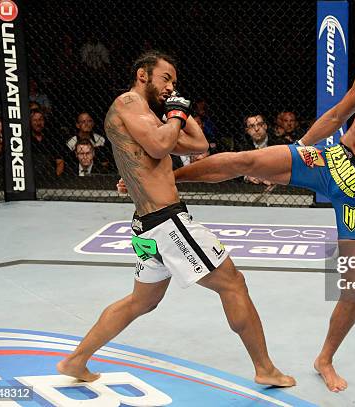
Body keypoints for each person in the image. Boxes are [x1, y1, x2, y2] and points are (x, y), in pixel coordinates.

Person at [121, 25, 355, 392]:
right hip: (333, 159)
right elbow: (334, 118)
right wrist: (297, 150)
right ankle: (172, 178)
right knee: (246, 160)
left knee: (353, 286)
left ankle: (325, 358)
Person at [57, 50, 295, 388]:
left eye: (175, 82)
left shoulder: (152, 116)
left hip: (149, 225)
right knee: (232, 283)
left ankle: (76, 360)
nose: (170, 86)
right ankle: (265, 368)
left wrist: (180, 111)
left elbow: (197, 144)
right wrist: (175, 115)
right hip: (167, 222)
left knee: (142, 301)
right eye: (166, 78)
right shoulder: (128, 102)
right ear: (143, 75)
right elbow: (158, 147)